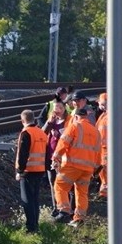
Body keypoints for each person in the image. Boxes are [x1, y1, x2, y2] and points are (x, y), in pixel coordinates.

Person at [51, 92, 102, 228]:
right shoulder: (96, 132)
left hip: (72, 165)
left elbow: (63, 142)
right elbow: (98, 151)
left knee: (60, 186)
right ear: (86, 117)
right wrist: (96, 169)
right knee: (82, 192)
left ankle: (64, 211)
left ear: (77, 116)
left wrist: (55, 156)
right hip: (87, 169)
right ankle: (79, 218)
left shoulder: (74, 126)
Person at [15, 109, 48, 233]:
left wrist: (19, 171)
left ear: (22, 120)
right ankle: (36, 225)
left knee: (27, 199)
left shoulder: (26, 133)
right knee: (35, 199)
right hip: (40, 170)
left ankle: (31, 227)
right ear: (33, 119)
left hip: (28, 171)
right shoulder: (41, 133)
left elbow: (23, 153)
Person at [42, 99, 69, 217]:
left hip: (63, 158)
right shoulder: (52, 121)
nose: (57, 111)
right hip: (50, 156)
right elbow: (42, 133)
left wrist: (58, 134)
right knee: (52, 182)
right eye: (55, 108)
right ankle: (56, 207)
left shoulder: (68, 122)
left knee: (63, 183)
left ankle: (65, 207)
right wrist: (49, 122)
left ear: (64, 109)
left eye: (60, 108)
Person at [94, 92, 109, 201]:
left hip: (107, 148)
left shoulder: (110, 115)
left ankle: (106, 194)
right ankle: (103, 192)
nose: (100, 106)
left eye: (102, 104)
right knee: (102, 171)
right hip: (101, 148)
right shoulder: (104, 115)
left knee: (106, 170)